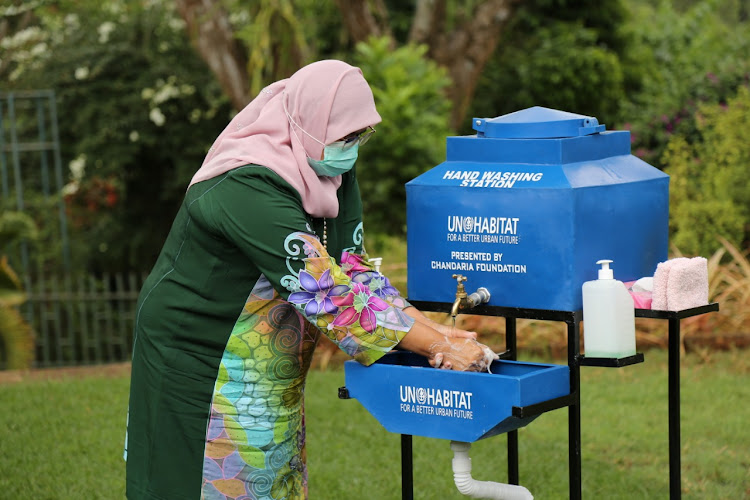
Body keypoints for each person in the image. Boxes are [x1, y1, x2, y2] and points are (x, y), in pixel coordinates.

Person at [124, 59, 497, 500]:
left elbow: (354, 269)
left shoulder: (327, 166)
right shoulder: (247, 182)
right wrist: (434, 346)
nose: (353, 146)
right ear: (309, 122)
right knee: (208, 472)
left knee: (270, 458)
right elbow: (327, 292)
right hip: (200, 349)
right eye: (345, 135)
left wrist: (438, 331)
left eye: (361, 134)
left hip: (265, 348)